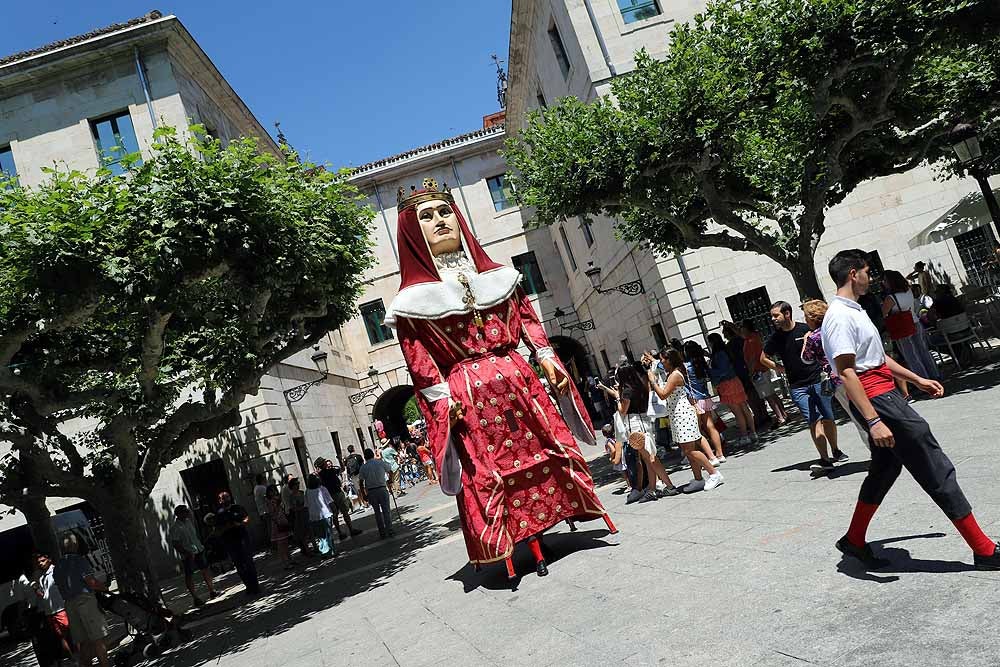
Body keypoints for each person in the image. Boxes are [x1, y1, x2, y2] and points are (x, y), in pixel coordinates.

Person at [387, 177, 612, 578]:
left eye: (445, 212)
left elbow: (527, 319)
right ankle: (512, 541)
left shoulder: (500, 278)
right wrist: (442, 401)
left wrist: (545, 356)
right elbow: (419, 362)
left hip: (520, 380)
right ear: (411, 232)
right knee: (490, 469)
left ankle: (558, 515)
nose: (440, 220)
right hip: (467, 396)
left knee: (546, 449)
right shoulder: (410, 305)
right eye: (427, 216)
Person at [822, 249, 999, 570]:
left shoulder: (854, 310)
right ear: (853, 274)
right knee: (932, 461)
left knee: (886, 468)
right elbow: (847, 372)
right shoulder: (838, 316)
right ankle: (984, 549)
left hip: (884, 394)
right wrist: (874, 420)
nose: (870, 277)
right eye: (866, 271)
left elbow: (877, 358)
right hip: (876, 399)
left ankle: (854, 539)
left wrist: (917, 378)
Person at [761, 301, 847, 474]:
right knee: (813, 420)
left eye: (776, 315)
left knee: (828, 416)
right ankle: (824, 458)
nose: (773, 319)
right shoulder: (775, 338)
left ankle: (835, 450)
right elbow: (763, 358)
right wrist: (778, 368)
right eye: (772, 316)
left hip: (820, 380)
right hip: (797, 386)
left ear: (787, 314)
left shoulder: (804, 330)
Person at [645, 349, 724, 491]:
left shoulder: (675, 374)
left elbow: (663, 394)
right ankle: (698, 479)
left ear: (669, 360)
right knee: (688, 450)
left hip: (683, 414)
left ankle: (714, 473)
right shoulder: (671, 373)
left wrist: (652, 381)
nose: (661, 362)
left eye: (662, 359)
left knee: (690, 450)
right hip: (677, 415)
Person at [800, 300, 869, 446]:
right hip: (855, 372)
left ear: (813, 318)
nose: (805, 321)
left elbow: (806, 359)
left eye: (806, 317)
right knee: (868, 409)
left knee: (856, 416)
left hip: (837, 380)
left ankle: (876, 451)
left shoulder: (813, 337)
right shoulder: (835, 328)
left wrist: (806, 340)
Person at [614, 360, 679, 502]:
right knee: (648, 456)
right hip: (645, 421)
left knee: (650, 457)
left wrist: (617, 398)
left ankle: (668, 485)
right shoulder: (641, 386)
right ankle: (652, 488)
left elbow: (622, 411)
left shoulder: (627, 391)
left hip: (635, 424)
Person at [53, 533, 109, 667]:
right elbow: (91, 582)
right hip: (85, 601)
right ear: (75, 545)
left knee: (82, 641)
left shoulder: (57, 566)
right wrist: (105, 588)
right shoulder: (79, 560)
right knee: (97, 638)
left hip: (69, 604)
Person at [881, 269, 940, 388]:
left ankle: (922, 380)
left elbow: (883, 313)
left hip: (902, 326)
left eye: (885, 280)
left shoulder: (891, 298)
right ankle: (934, 374)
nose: (883, 283)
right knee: (923, 351)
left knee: (911, 355)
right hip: (915, 322)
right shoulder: (908, 291)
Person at [682, 341, 728, 464]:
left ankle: (709, 456)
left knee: (697, 430)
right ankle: (720, 454)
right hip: (705, 397)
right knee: (710, 426)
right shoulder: (701, 364)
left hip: (694, 400)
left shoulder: (686, 366)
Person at [707, 332, 757, 446]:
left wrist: (711, 372)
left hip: (726, 384)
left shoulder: (719, 354)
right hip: (735, 380)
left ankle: (744, 435)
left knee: (737, 411)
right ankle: (753, 432)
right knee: (744, 408)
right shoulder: (726, 350)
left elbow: (721, 371)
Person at [722, 322, 769, 431]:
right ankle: (764, 414)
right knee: (755, 393)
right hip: (747, 368)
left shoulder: (731, 345)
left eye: (724, 332)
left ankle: (758, 417)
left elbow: (732, 359)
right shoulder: (742, 340)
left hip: (742, 371)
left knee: (750, 395)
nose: (724, 335)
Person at [741, 319, 788, 425]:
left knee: (768, 396)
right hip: (762, 369)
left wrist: (750, 372)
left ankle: (780, 417)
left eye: (742, 328)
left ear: (746, 328)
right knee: (772, 393)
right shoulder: (753, 337)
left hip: (759, 371)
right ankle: (784, 414)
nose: (741, 330)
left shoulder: (751, 340)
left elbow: (753, 358)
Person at [168, 505, 217, 606]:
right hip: (188, 554)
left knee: (205, 569)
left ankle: (212, 590)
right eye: (185, 512)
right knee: (189, 575)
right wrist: (186, 553)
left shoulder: (189, 522)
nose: (187, 513)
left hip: (198, 549)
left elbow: (194, 535)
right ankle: (195, 597)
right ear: (179, 514)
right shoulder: (175, 528)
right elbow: (176, 544)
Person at [214, 491, 261, 596]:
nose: (226, 499)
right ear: (220, 501)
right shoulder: (219, 514)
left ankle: (255, 586)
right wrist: (228, 527)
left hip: (243, 539)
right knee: (239, 565)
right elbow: (217, 530)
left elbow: (247, 518)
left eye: (227, 497)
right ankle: (248, 586)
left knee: (249, 563)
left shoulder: (237, 508)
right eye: (223, 498)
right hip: (230, 542)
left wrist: (240, 523)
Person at [30, 552, 73, 662]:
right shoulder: (41, 578)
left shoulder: (56, 571)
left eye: (43, 561)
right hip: (50, 612)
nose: (41, 563)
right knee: (61, 637)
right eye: (39, 562)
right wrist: (36, 589)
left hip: (61, 609)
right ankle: (73, 659)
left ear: (49, 560)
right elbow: (43, 595)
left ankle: (83, 657)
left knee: (73, 634)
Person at [317, 457, 362, 540]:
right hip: (337, 493)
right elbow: (338, 469)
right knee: (344, 512)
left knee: (335, 514)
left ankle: (340, 533)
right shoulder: (330, 471)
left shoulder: (319, 475)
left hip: (329, 495)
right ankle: (351, 529)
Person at [358, 448, 395, 539]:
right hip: (382, 488)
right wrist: (390, 480)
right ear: (372, 455)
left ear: (365, 457)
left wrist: (363, 494)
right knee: (386, 510)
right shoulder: (379, 462)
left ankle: (382, 532)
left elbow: (361, 482)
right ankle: (389, 530)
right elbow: (390, 470)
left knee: (377, 512)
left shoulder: (363, 467)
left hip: (371, 491)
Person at [305, 473, 337, 557]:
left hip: (314, 517)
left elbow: (307, 505)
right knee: (328, 534)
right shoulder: (322, 489)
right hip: (326, 514)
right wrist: (335, 510)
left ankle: (324, 551)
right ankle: (332, 550)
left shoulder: (307, 492)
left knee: (321, 536)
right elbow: (330, 501)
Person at [265, 484, 294, 570]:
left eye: (274, 490)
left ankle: (289, 560)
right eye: (271, 491)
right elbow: (273, 514)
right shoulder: (269, 502)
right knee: (281, 544)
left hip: (283, 520)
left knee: (286, 543)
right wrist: (277, 505)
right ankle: (285, 563)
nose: (273, 492)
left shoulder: (276, 499)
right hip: (277, 523)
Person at [602, 423, 629, 490]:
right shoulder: (616, 437)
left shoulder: (608, 441)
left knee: (624, 472)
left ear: (604, 434)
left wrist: (611, 457)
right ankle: (631, 484)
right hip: (623, 454)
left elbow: (613, 450)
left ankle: (629, 485)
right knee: (628, 470)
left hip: (618, 457)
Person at [344, 445, 368, 510]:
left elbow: (346, 469)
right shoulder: (358, 456)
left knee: (358, 490)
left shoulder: (347, 459)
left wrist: (348, 477)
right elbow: (363, 465)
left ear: (348, 451)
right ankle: (367, 502)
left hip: (353, 476)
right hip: (360, 474)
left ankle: (362, 504)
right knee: (364, 488)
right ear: (354, 449)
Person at [252, 473, 270, 548]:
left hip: (261, 511)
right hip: (266, 511)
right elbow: (267, 499)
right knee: (270, 528)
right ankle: (273, 544)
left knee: (266, 528)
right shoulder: (262, 488)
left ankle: (270, 543)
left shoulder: (256, 488)